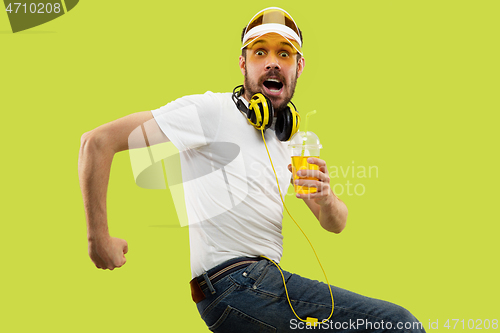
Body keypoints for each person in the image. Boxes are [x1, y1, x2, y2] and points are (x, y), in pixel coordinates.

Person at [78, 7, 425, 332]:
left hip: (258, 286)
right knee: (398, 324)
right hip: (239, 283)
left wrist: (327, 196)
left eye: (283, 54)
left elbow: (334, 223)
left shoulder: (289, 141)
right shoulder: (211, 111)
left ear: (299, 67)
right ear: (243, 64)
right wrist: (98, 238)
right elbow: (97, 142)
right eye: (260, 53)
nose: (272, 63)